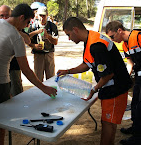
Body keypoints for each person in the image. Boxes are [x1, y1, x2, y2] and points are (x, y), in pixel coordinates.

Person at [0, 4, 57, 145]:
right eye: (27, 22)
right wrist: (44, 88)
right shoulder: (15, 37)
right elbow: (26, 69)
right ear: (21, 18)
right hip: (0, 83)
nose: (26, 26)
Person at [57, 17, 132, 145]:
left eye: (69, 35)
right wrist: (68, 71)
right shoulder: (90, 38)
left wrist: (93, 89)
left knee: (108, 123)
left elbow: (108, 75)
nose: (69, 38)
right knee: (107, 121)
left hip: (115, 89)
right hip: (110, 88)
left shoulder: (96, 46)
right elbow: (87, 63)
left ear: (75, 30)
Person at [106, 21, 141, 145]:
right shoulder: (125, 45)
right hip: (138, 77)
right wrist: (124, 80)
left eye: (112, 36)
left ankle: (137, 138)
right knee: (135, 103)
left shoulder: (138, 36)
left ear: (119, 31)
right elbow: (130, 64)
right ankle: (135, 128)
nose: (113, 40)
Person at [28, 6, 58, 82]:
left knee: (51, 78)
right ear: (37, 15)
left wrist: (48, 36)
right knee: (38, 78)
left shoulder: (52, 26)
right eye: (40, 15)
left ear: (47, 15)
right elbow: (27, 40)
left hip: (49, 54)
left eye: (44, 15)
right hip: (38, 55)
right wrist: (34, 46)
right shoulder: (33, 27)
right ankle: (39, 94)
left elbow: (55, 42)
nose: (42, 18)